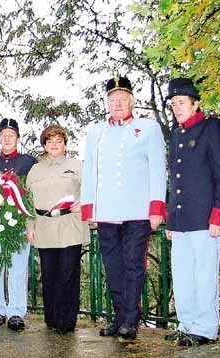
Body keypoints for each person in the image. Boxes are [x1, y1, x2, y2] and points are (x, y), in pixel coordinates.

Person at [80, 76, 167, 340]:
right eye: (112, 100)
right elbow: (90, 171)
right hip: (107, 212)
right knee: (113, 267)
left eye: (122, 99)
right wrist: (89, 208)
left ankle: (132, 318)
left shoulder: (149, 128)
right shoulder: (96, 132)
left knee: (133, 265)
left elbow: (157, 169)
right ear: (107, 103)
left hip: (137, 211)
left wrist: (156, 208)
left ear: (131, 101)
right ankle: (119, 318)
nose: (117, 104)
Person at [164, 78, 220, 346]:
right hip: (181, 219)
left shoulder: (211, 128)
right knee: (182, 274)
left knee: (204, 274)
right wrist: (171, 218)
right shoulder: (177, 135)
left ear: (195, 103)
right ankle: (186, 323)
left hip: (206, 218)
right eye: (173, 105)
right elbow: (176, 180)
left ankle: (205, 328)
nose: (177, 108)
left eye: (181, 103)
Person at [26, 125, 89, 335]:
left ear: (65, 144)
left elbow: (90, 189)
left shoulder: (77, 166)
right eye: (50, 141)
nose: (54, 145)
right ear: (44, 144)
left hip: (70, 226)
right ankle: (52, 319)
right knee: (49, 275)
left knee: (68, 275)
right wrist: (30, 227)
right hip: (44, 227)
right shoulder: (35, 170)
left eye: (59, 141)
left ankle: (67, 322)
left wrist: (84, 203)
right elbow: (28, 201)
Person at [0, 118, 37, 331]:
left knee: (17, 268)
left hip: (19, 224)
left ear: (18, 138)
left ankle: (16, 312)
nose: (7, 138)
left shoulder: (28, 162)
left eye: (11, 135)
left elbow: (31, 194)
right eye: (3, 135)